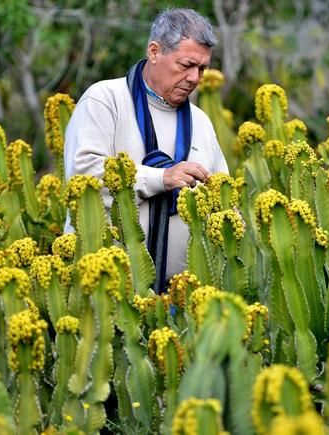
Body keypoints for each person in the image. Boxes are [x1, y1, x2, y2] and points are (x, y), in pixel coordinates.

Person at [63, 8, 228, 292]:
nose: (194, 78)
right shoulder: (105, 100)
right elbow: (82, 177)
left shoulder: (201, 122)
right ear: (154, 51)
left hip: (181, 302)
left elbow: (222, 193)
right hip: (107, 291)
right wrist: (162, 179)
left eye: (201, 68)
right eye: (186, 65)